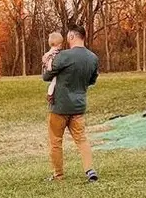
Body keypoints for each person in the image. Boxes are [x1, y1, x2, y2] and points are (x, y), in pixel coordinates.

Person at [42, 25, 100, 183]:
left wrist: (46, 63)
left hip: (59, 106)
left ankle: (58, 175)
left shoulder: (64, 56)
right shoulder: (93, 58)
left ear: (73, 36)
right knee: (82, 139)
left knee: (55, 142)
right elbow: (92, 80)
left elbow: (47, 76)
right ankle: (89, 170)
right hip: (78, 106)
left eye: (68, 36)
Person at [42, 32, 65, 104]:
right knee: (54, 82)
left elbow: (44, 59)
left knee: (53, 82)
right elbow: (52, 61)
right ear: (60, 44)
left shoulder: (48, 52)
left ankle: (51, 93)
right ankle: (50, 95)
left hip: (47, 69)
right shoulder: (55, 52)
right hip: (51, 69)